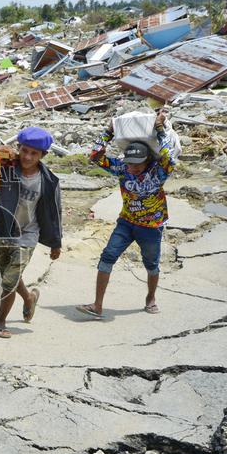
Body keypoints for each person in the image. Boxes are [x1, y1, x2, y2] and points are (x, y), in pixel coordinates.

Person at [76, 110, 174, 319]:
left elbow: (169, 155)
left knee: (151, 264)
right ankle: (97, 305)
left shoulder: (159, 170)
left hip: (151, 227)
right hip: (126, 223)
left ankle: (150, 298)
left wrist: (159, 129)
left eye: (137, 164)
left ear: (148, 161)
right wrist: (108, 132)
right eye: (130, 163)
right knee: (107, 256)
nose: (133, 168)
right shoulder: (122, 169)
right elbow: (95, 157)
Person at [0, 126, 62, 338]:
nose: (27, 157)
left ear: (43, 155)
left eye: (34, 153)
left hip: (28, 235)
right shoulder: (8, 167)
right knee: (9, 275)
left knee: (9, 281)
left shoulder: (48, 181)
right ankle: (29, 298)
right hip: (4, 231)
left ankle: (0, 322)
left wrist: (56, 243)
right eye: (24, 150)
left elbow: (55, 212)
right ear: (18, 148)